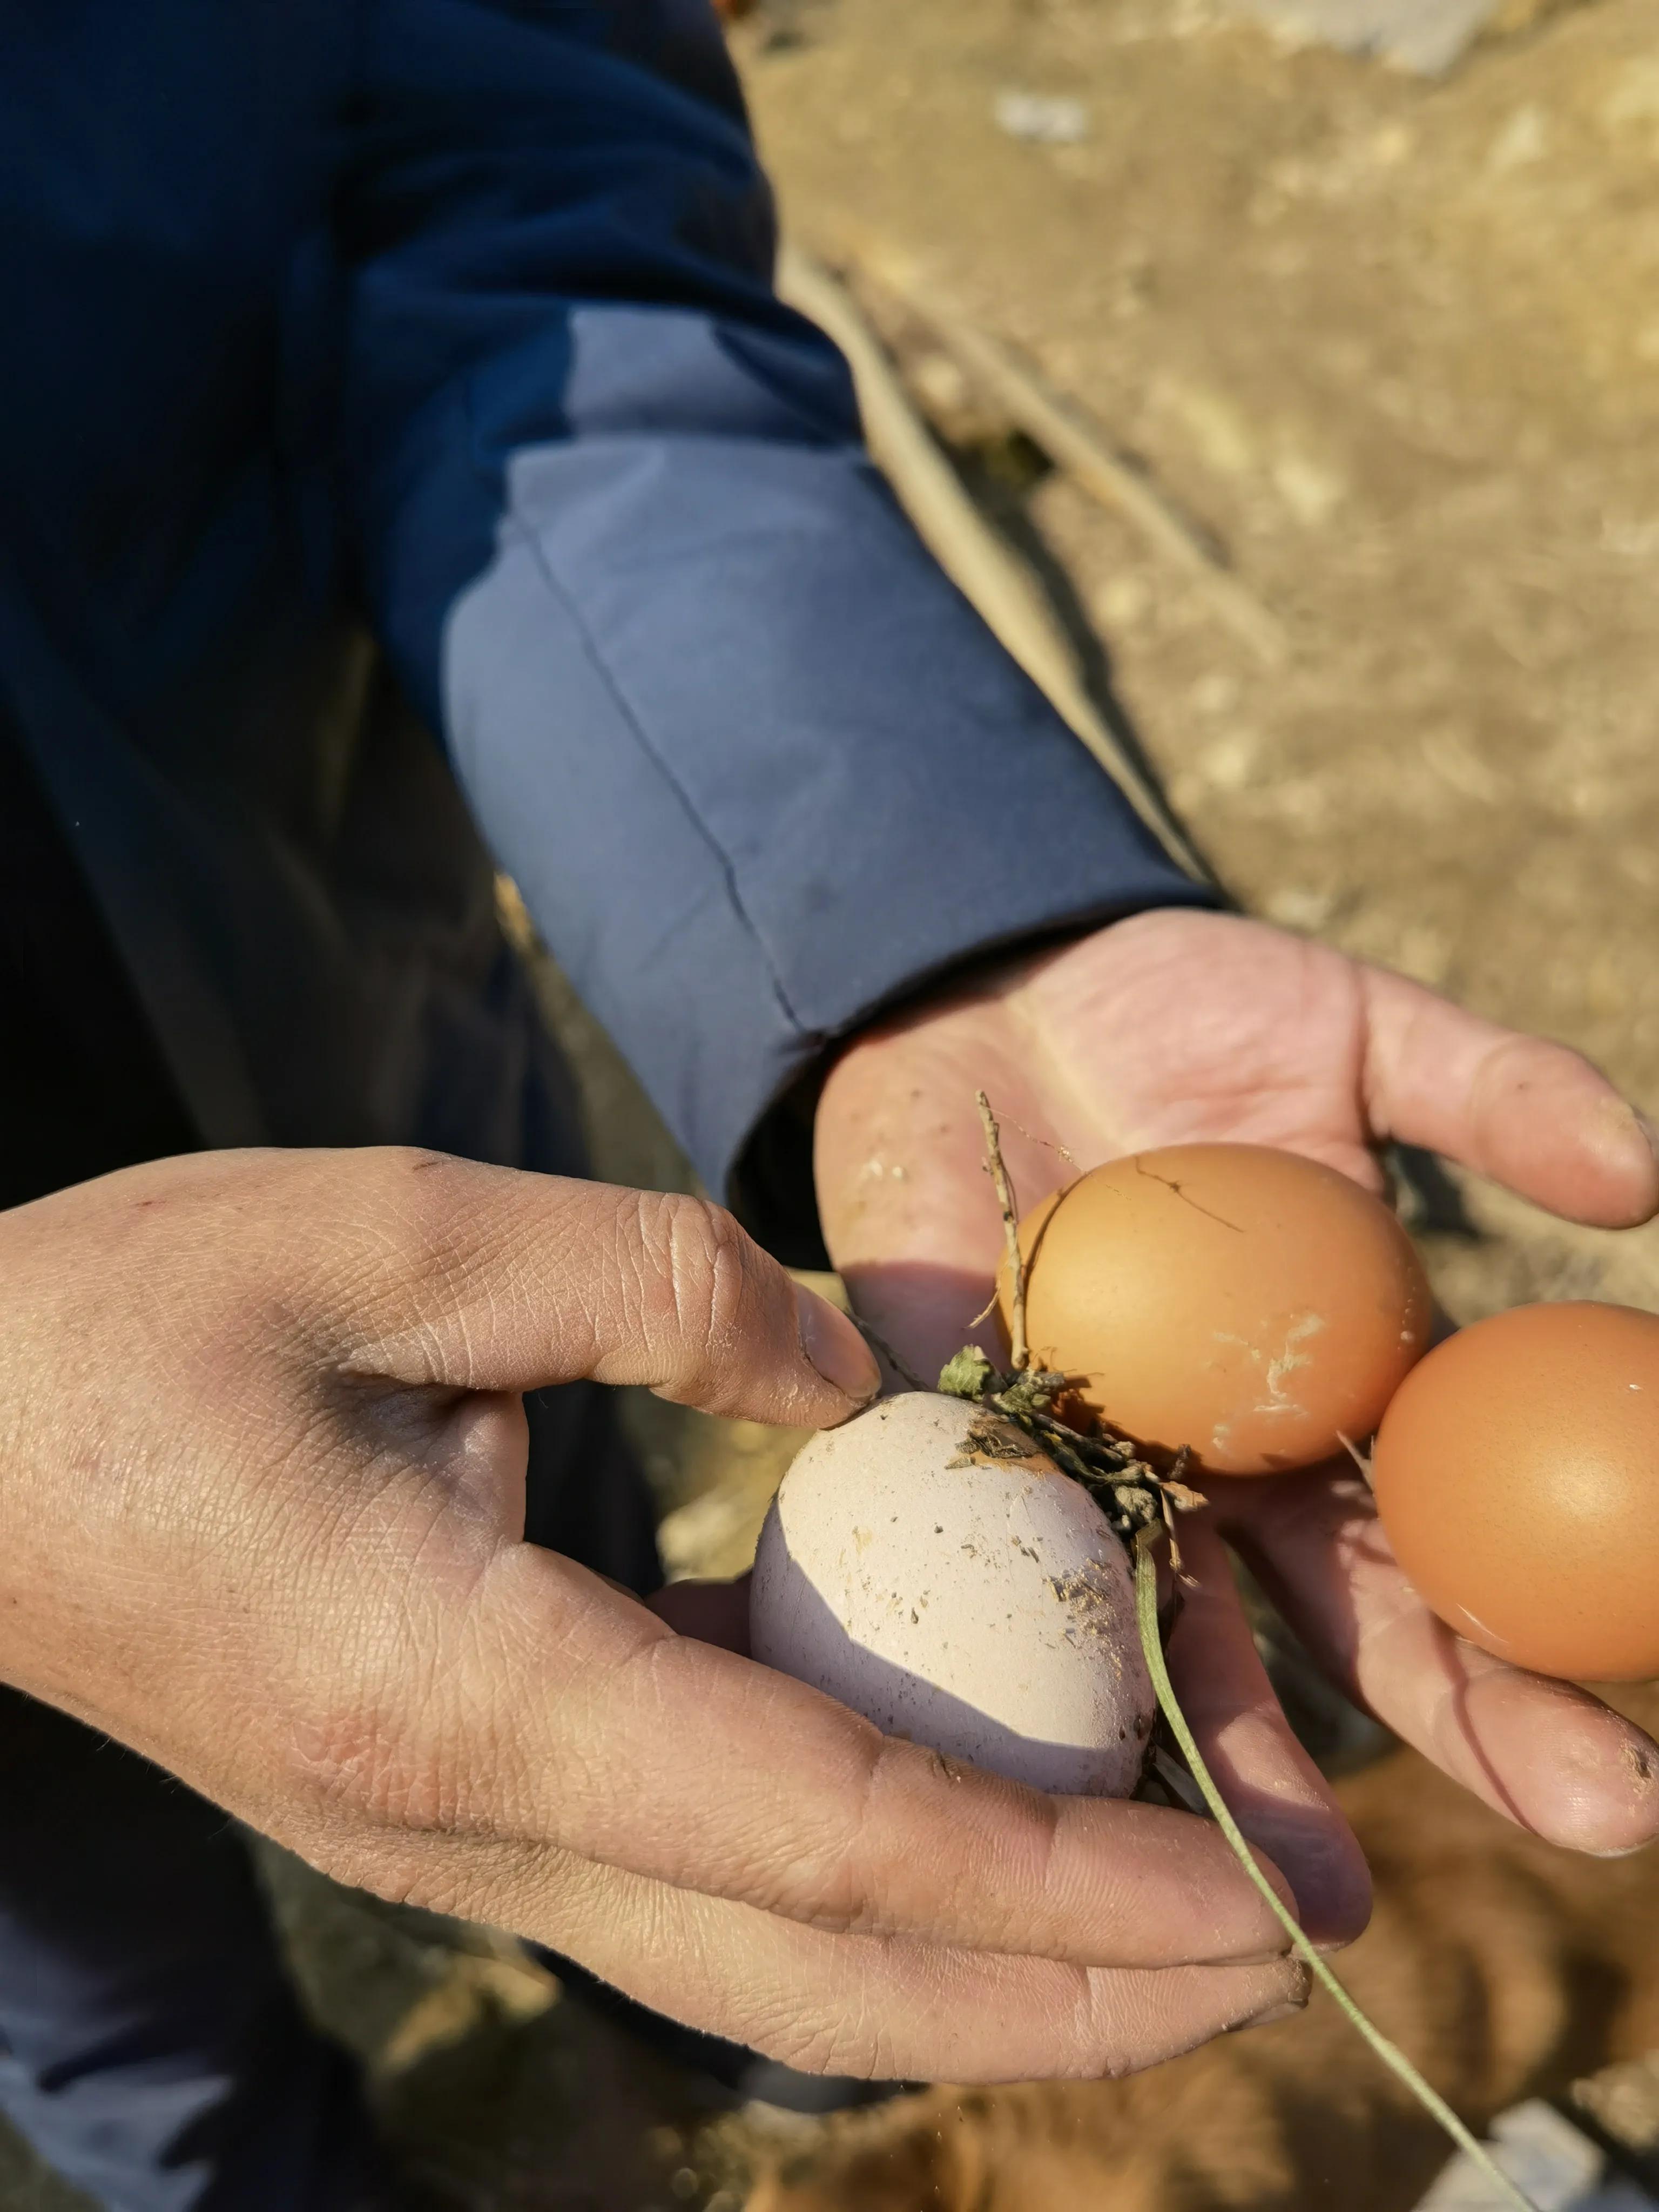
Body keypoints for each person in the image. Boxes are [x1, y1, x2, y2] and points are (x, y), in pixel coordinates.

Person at [3, 3, 1656, 2206]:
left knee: (582, 1620)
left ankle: (671, 2047)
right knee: (115, 2004)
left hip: (371, 1075)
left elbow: (506, 219)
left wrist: (909, 919)